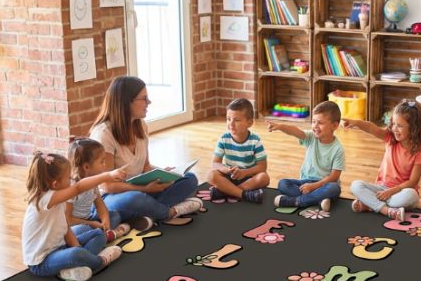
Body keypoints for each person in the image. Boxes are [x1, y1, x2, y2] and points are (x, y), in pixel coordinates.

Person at [89, 76, 202, 227]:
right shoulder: (103, 133)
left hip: (141, 189)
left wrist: (166, 173)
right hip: (111, 197)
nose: (149, 102)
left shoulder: (141, 126)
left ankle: (141, 216)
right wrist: (143, 189)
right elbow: (107, 185)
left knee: (189, 178)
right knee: (134, 199)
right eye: (144, 98)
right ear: (126, 102)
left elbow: (145, 166)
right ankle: (169, 213)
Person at [22, 149, 127, 281]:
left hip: (59, 248)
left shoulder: (57, 200)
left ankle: (73, 266)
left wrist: (77, 246)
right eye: (68, 178)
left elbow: (65, 228)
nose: (71, 180)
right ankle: (99, 262)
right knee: (76, 254)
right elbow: (78, 188)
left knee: (99, 234)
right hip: (41, 263)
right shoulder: (44, 199)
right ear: (55, 184)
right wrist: (108, 175)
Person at [343, 99, 421, 222]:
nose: (395, 128)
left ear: (414, 128)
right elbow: (372, 128)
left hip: (401, 192)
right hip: (381, 188)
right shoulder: (390, 138)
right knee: (355, 185)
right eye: (393, 124)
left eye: (400, 126)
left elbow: (413, 181)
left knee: (412, 196)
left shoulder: (419, 152)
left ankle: (370, 204)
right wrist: (356, 122)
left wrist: (391, 192)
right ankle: (387, 210)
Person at [267, 100, 344, 211]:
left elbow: (334, 177)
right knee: (283, 183)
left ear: (334, 125)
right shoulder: (311, 137)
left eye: (320, 123)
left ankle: (297, 201)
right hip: (305, 182)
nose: (315, 126)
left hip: (324, 184)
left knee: (334, 188)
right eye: (313, 122)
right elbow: (296, 131)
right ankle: (318, 199)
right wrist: (280, 126)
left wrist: (314, 186)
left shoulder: (338, 149)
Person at [66, 137, 132, 242]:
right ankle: (106, 236)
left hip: (89, 219)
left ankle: (104, 235)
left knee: (114, 215)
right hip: (74, 226)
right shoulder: (72, 187)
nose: (105, 165)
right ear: (86, 167)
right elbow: (68, 220)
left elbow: (101, 207)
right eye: (102, 162)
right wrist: (92, 224)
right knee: (83, 229)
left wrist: (106, 224)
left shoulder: (93, 184)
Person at [206, 98, 269, 203]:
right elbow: (215, 162)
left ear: (249, 123)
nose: (231, 123)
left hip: (248, 177)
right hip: (229, 176)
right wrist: (226, 170)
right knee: (211, 175)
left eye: (237, 120)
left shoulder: (255, 141)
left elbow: (262, 167)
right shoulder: (224, 138)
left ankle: (225, 192)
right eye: (228, 119)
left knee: (264, 177)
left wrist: (244, 173)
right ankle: (243, 194)